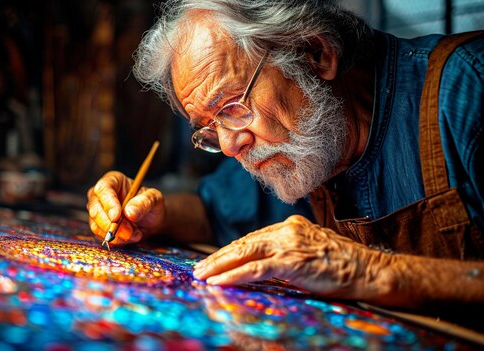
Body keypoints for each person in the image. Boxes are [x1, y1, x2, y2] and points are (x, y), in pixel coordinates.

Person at [86, 0, 484, 327]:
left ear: (315, 54)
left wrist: (367, 271)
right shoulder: (301, 144)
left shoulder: (469, 90)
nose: (228, 145)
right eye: (209, 126)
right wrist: (150, 212)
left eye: (232, 107)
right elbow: (213, 210)